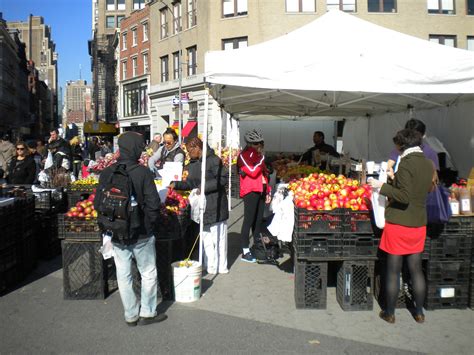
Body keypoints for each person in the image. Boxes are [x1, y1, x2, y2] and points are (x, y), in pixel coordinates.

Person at [94, 131, 166, 327]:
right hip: (141, 232)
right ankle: (148, 312)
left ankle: (130, 315)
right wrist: (149, 224)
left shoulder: (108, 172)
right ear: (135, 148)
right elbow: (153, 203)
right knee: (148, 272)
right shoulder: (142, 172)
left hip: (116, 232)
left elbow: (98, 204)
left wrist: (109, 225)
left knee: (123, 275)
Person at [368, 129, 434, 324]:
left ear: (402, 145)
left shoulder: (406, 163)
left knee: (393, 270)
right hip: (419, 222)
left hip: (400, 223)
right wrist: (394, 179)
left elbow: (404, 196)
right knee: (416, 269)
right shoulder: (427, 163)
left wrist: (382, 186)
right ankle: (419, 312)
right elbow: (419, 190)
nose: (395, 147)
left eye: (396, 144)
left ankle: (389, 312)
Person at [170, 137, 229, 274]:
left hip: (216, 204)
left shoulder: (214, 160)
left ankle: (221, 266)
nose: (189, 154)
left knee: (219, 239)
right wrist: (176, 184)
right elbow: (191, 183)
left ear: (198, 148)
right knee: (206, 238)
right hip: (202, 206)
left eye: (190, 151)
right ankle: (211, 266)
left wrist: (204, 187)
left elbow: (222, 179)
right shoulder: (193, 163)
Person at [237, 129, 272, 263]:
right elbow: (252, 171)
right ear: (251, 144)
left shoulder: (258, 155)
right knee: (248, 220)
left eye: (260, 143)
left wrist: (268, 190)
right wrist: (261, 160)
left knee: (258, 221)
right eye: (257, 144)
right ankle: (245, 251)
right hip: (250, 191)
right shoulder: (243, 156)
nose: (260, 146)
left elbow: (264, 174)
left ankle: (257, 247)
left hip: (260, 190)